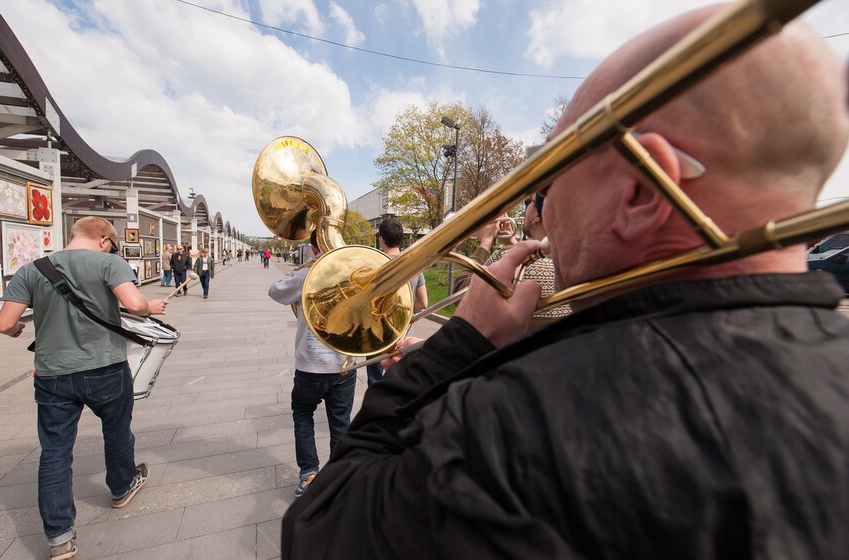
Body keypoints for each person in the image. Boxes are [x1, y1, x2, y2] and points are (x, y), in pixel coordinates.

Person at [281, 8, 849, 559]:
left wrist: (462, 340)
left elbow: (321, 526)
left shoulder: (517, 426)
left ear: (641, 192)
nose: (541, 207)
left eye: (551, 176)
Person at [0, 216, 168, 560]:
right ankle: (121, 487)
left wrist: (16, 333)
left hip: (52, 374)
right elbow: (134, 305)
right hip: (104, 367)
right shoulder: (109, 263)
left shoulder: (33, 269)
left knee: (55, 452)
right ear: (104, 239)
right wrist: (151, 306)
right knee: (117, 432)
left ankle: (59, 537)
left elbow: (3, 323)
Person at [268, 231, 358, 498]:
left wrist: (306, 267)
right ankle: (340, 479)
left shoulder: (307, 275)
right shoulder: (353, 273)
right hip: (344, 363)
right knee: (340, 422)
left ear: (313, 246)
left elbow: (275, 291)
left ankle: (309, 474)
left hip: (310, 364)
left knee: (302, 414)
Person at [454, 198, 570, 330]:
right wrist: (512, 243)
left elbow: (461, 293)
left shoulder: (502, 256)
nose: (525, 209)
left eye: (529, 202)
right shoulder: (566, 262)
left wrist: (485, 243)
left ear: (537, 216)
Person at [364, 218, 428, 386]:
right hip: (405, 333)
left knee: (376, 383)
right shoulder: (413, 265)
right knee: (402, 383)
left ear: (381, 239)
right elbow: (424, 303)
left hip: (378, 336)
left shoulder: (374, 267)